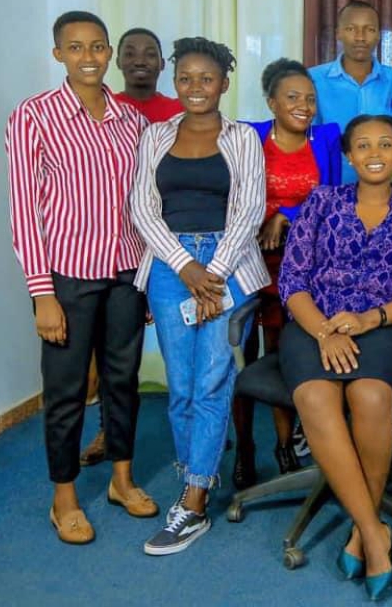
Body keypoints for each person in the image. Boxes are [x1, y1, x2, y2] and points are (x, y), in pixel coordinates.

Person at [277, 114, 392, 601]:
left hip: (377, 325)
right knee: (315, 396)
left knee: (371, 396)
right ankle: (372, 532)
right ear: (348, 156)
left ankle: (360, 529)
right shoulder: (322, 201)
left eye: (386, 144)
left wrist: (371, 318)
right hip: (312, 324)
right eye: (364, 145)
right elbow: (292, 280)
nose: (375, 153)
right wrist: (323, 331)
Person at [6, 10, 157, 545]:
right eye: (75, 47)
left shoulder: (132, 120)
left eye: (97, 47)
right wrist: (41, 293)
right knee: (67, 389)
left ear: (109, 52)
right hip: (67, 276)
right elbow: (24, 210)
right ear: (58, 55)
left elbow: (143, 204)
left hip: (126, 272)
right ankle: (64, 496)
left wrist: (145, 279)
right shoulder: (33, 116)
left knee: (123, 380)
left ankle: (121, 479)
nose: (88, 57)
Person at [130, 37, 269, 555]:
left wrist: (212, 273)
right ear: (175, 82)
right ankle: (199, 470)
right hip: (171, 269)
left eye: (206, 78)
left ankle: (193, 501)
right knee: (182, 385)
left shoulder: (243, 138)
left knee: (212, 381)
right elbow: (142, 208)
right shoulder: (155, 136)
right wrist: (187, 267)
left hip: (228, 266)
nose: (195, 87)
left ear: (224, 84)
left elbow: (250, 210)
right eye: (185, 78)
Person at [230, 58, 343, 490]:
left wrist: (287, 216)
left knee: (284, 353)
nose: (304, 106)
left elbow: (331, 202)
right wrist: (266, 217)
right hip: (248, 261)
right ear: (271, 102)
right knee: (238, 353)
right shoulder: (247, 136)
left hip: (301, 267)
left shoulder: (326, 138)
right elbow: (234, 194)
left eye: (310, 99)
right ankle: (244, 448)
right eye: (293, 97)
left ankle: (284, 444)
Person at [81, 26, 186, 469]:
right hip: (116, 248)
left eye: (149, 52)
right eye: (130, 52)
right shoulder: (104, 109)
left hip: (170, 245)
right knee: (114, 353)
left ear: (162, 63)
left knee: (183, 342)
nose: (140, 59)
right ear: (117, 60)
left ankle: (198, 426)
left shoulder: (180, 110)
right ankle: (110, 429)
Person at [309, 0, 392, 182]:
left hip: (386, 189)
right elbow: (303, 137)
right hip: (329, 187)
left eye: (369, 29)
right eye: (351, 29)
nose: (360, 37)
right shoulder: (312, 80)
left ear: (378, 35)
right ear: (338, 33)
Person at [114, 27, 185, 122]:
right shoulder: (104, 106)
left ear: (162, 64)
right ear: (118, 62)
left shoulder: (180, 111)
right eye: (130, 54)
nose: (140, 62)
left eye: (150, 54)